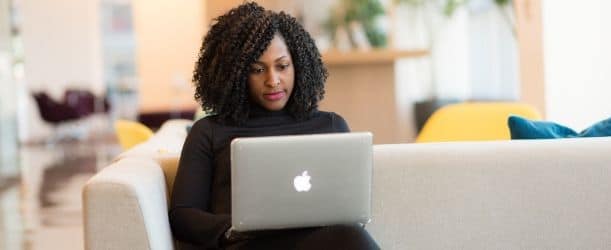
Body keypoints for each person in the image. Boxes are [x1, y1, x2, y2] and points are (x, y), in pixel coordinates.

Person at [170, 2, 380, 249]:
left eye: (282, 66)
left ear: (298, 65)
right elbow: (183, 215)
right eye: (257, 69)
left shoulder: (331, 125)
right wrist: (235, 229)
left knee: (352, 237)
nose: (273, 80)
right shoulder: (209, 131)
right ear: (235, 74)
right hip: (246, 245)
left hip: (320, 242)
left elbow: (347, 207)